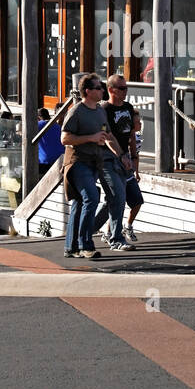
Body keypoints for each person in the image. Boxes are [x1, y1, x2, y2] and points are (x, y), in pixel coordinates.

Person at [60, 73, 115, 260]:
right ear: (88, 91)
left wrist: (122, 155)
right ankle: (85, 245)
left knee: (80, 202)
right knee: (91, 197)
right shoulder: (76, 111)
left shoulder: (100, 111)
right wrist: (90, 138)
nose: (102, 90)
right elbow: (65, 138)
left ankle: (71, 247)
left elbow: (107, 134)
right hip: (77, 161)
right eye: (99, 88)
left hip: (94, 162)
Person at [102, 74, 144, 248]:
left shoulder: (127, 107)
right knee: (117, 198)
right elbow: (106, 137)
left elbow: (131, 135)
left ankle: (109, 231)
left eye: (126, 87)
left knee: (135, 198)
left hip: (126, 159)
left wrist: (134, 159)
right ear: (111, 90)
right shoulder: (104, 109)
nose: (125, 91)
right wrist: (120, 156)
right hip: (109, 160)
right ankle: (114, 237)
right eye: (122, 88)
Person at [37, 106, 63, 171]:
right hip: (60, 159)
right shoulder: (57, 126)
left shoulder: (37, 125)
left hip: (44, 161)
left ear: (38, 117)